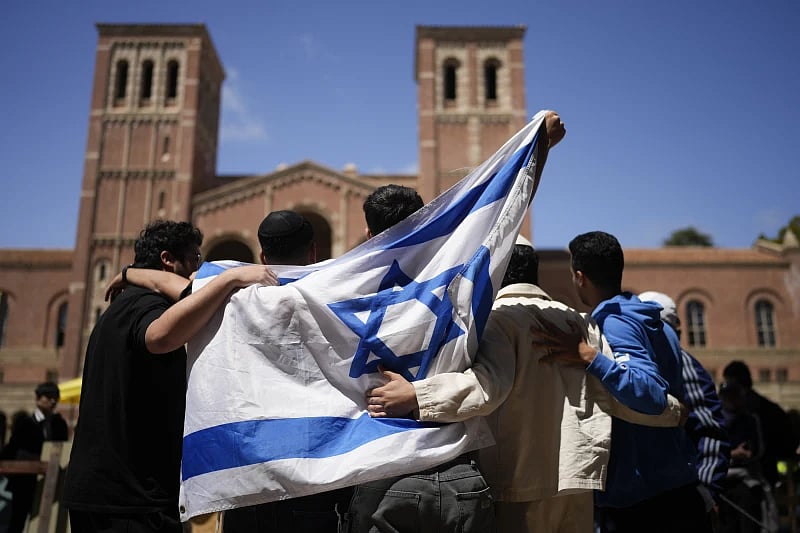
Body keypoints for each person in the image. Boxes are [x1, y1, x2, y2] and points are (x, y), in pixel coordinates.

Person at [365, 238, 684, 533]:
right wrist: (671, 410)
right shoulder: (579, 321)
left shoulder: (499, 317)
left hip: (518, 482)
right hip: (578, 481)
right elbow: (612, 394)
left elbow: (487, 387)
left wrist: (416, 395)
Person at [346, 111, 568, 533]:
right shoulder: (461, 284)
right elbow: (502, 226)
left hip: (380, 469)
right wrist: (538, 151)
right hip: (457, 472)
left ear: (370, 233)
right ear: (426, 221)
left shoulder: (346, 291)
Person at [62, 220, 276, 533]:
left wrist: (128, 273)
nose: (197, 269)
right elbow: (159, 337)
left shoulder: (124, 303)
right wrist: (230, 279)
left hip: (110, 492)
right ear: (167, 260)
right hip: (129, 499)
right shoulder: (145, 304)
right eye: (195, 260)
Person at [539, 231, 708, 533]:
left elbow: (651, 395)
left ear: (580, 277)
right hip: (678, 490)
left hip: (645, 504)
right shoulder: (657, 323)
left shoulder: (614, 322)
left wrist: (591, 358)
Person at [638, 291, 730, 513]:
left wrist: (706, 491)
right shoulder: (642, 361)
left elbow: (709, 431)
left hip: (681, 492)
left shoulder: (683, 363)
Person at [0, 382, 68, 533]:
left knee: (46, 520)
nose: (53, 401)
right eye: (49, 397)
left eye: (55, 397)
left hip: (50, 481)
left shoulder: (59, 424)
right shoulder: (24, 423)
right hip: (25, 481)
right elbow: (13, 447)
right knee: (18, 519)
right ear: (38, 399)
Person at [722, 360, 798, 487]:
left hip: (758, 474)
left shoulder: (751, 413)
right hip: (766, 473)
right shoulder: (765, 408)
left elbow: (758, 448)